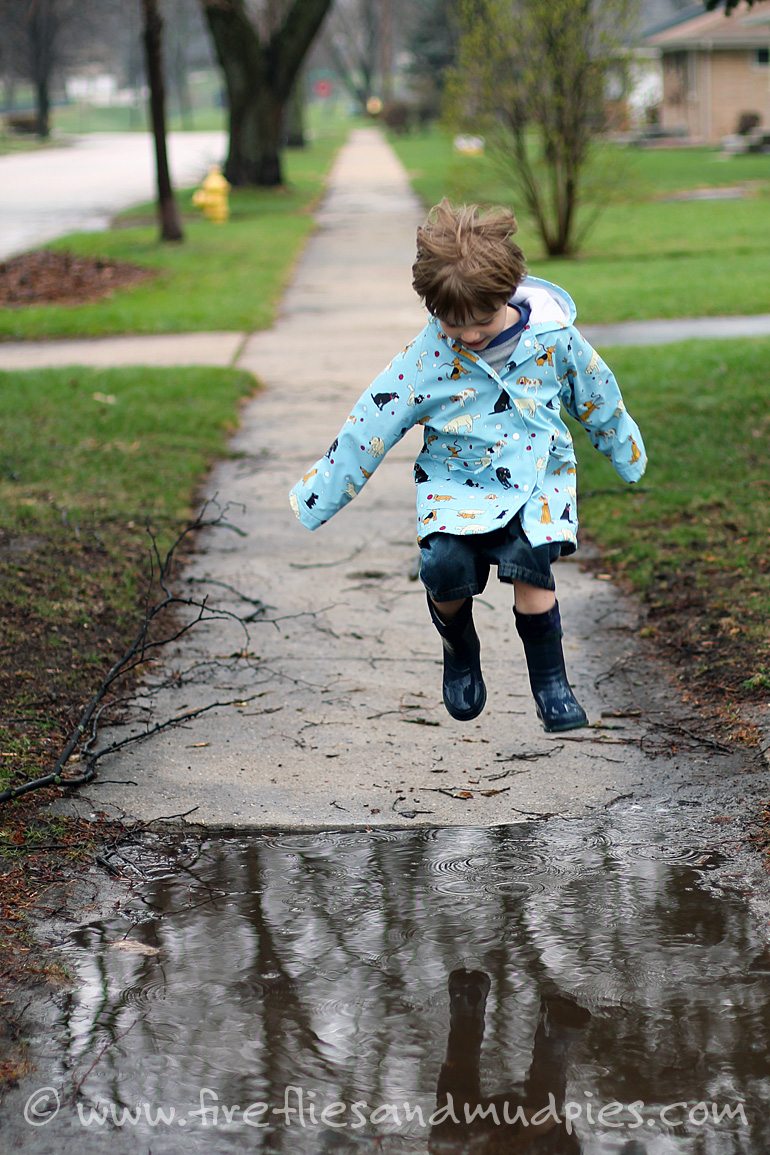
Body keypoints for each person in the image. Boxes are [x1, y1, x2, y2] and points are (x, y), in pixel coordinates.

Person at [289, 199, 646, 732]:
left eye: (482, 320)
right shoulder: (427, 359)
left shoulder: (552, 340)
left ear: (508, 292)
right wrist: (318, 494)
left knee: (532, 564)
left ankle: (551, 684)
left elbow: (597, 393)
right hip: (454, 485)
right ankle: (459, 645)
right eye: (455, 325)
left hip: (534, 481)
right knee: (445, 571)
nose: (472, 335)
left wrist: (624, 448)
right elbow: (369, 426)